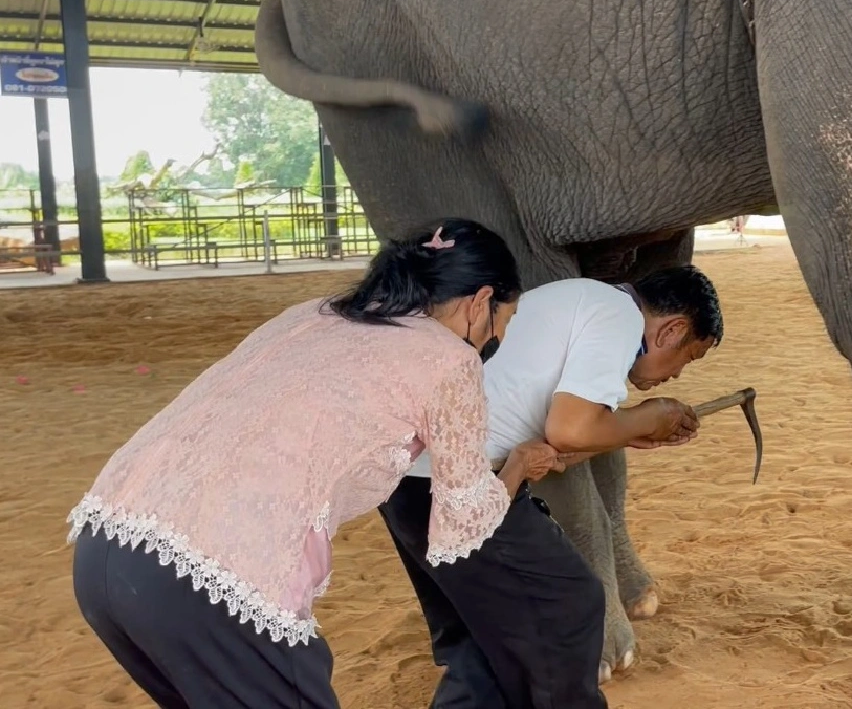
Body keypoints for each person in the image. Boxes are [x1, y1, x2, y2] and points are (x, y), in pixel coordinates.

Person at [66, 218, 561, 708]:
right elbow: (461, 522)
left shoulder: (313, 313)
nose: (496, 339)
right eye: (505, 321)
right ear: (480, 303)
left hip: (107, 547)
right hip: (212, 577)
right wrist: (517, 465)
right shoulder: (448, 360)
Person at [380, 265, 723, 707]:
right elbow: (570, 430)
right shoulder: (618, 316)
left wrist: (633, 433)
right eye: (687, 358)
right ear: (671, 330)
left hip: (409, 481)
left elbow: (557, 444)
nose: (676, 375)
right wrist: (652, 414)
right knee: (570, 604)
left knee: (479, 642)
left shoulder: (581, 299)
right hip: (456, 485)